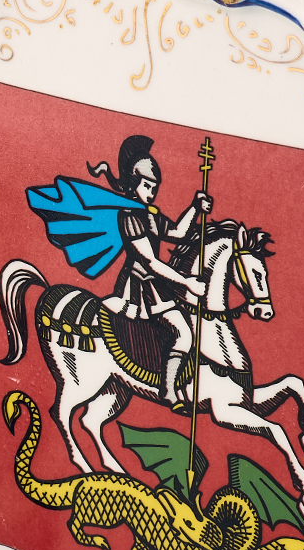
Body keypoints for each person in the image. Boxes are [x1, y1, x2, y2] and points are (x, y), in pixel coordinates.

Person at [90, 136, 212, 410]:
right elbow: (150, 261)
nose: (152, 192)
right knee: (183, 332)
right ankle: (168, 391)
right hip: (138, 287)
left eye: (154, 187)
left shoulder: (150, 213)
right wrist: (187, 283)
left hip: (156, 286)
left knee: (184, 329)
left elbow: (178, 233)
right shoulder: (129, 215)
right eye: (147, 186)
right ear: (134, 184)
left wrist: (195, 207)